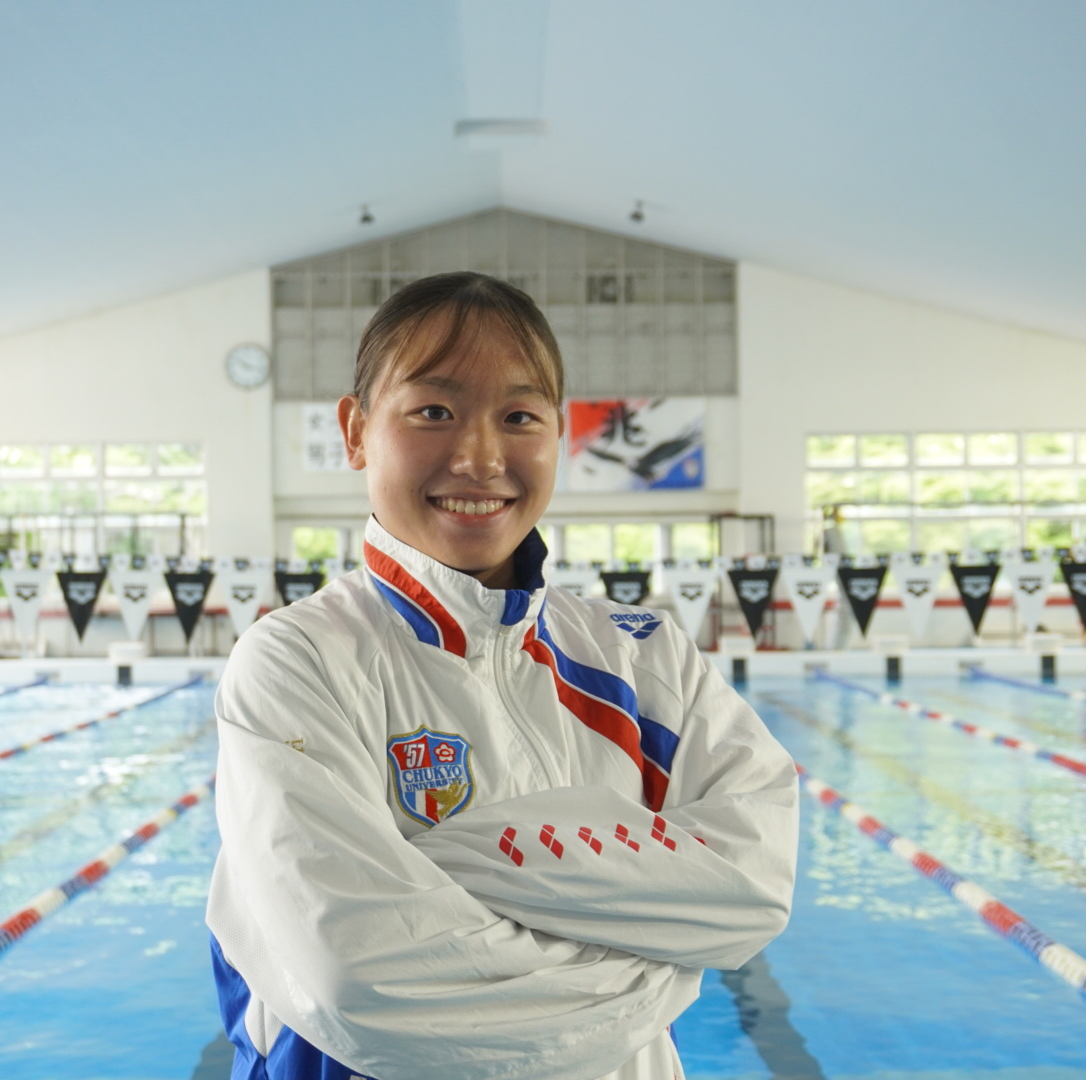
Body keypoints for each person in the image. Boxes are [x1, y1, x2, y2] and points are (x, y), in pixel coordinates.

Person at [204, 272, 799, 1080]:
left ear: (559, 435)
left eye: (519, 417)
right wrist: (659, 960)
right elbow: (364, 982)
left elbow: (754, 889)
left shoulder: (645, 657)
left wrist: (446, 868)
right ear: (356, 431)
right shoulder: (297, 660)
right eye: (433, 411)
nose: (479, 458)